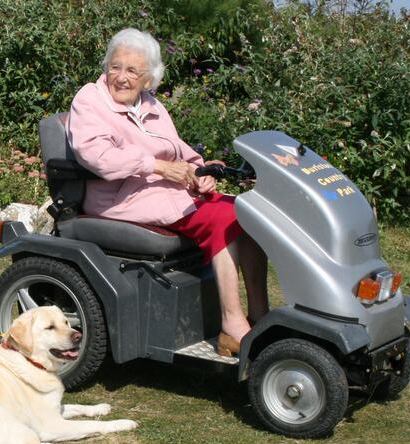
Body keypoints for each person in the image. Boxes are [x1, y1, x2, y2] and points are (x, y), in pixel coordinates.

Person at [66, 28, 267, 355]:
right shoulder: (90, 100)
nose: (121, 77)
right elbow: (97, 157)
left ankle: (259, 316)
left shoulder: (151, 105)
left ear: (148, 80)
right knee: (225, 219)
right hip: (120, 198)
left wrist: (200, 169)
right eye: (115, 67)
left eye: (132, 71)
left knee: (248, 214)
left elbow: (175, 148)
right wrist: (157, 167)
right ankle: (232, 324)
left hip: (163, 191)